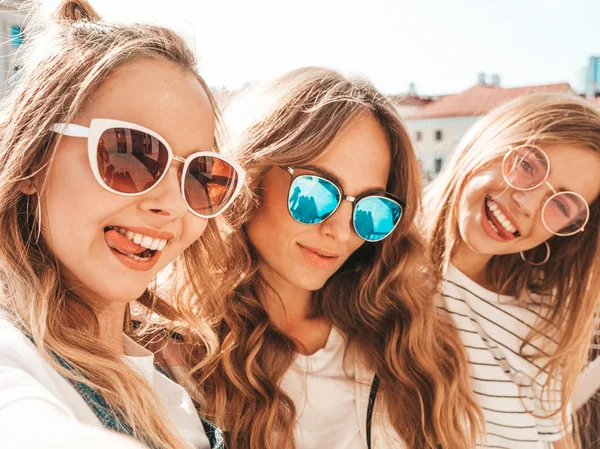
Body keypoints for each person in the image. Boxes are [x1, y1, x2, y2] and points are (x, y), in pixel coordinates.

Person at [170, 67, 483, 449]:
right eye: (316, 192)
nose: (341, 230)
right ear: (253, 173)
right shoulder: (180, 353)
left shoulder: (407, 341)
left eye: (371, 209)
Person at [0, 1, 244, 448]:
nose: (172, 205)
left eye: (201, 175)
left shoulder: (180, 375)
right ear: (35, 160)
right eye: (128, 154)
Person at [425, 93, 600, 449]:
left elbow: (558, 438)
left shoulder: (542, 307)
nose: (528, 203)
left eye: (562, 204)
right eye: (528, 165)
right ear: (493, 137)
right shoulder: (383, 272)